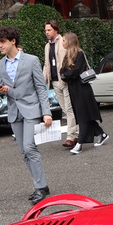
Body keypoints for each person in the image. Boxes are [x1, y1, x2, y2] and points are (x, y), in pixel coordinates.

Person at [0, 25, 54, 203]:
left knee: (30, 148)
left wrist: (46, 112)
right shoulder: (0, 64)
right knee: (23, 152)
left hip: (31, 109)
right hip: (14, 111)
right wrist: (2, 91)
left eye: (3, 42)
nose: (0, 46)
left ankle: (39, 188)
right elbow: (1, 87)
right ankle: (41, 185)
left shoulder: (31, 60)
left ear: (13, 41)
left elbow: (41, 88)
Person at [58, 32, 107, 154]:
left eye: (64, 40)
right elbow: (62, 72)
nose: (62, 42)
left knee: (82, 116)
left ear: (69, 41)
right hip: (73, 89)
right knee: (84, 115)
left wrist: (68, 74)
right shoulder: (67, 56)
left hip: (82, 89)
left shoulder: (79, 54)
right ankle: (102, 134)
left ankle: (79, 143)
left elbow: (75, 72)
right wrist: (68, 74)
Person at [43, 20, 78, 148]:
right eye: (46, 30)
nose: (47, 32)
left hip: (65, 81)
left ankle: (70, 137)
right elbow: (47, 64)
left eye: (49, 30)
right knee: (65, 110)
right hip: (54, 81)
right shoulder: (47, 46)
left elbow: (70, 58)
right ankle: (77, 133)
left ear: (55, 30)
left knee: (69, 109)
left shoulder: (63, 42)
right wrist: (43, 81)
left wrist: (66, 76)